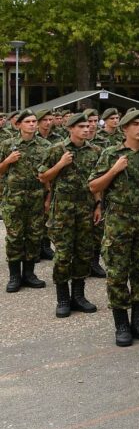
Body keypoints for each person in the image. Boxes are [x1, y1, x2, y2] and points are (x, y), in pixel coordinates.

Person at [88, 110, 139, 347]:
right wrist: (114, 170)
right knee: (117, 274)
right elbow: (93, 185)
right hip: (118, 225)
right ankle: (121, 324)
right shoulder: (111, 154)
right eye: (136, 124)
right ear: (124, 129)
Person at [39, 112, 102, 315]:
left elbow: (98, 182)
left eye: (88, 126)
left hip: (86, 209)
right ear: (70, 129)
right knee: (64, 255)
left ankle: (79, 296)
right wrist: (60, 164)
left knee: (84, 254)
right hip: (63, 211)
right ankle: (63, 299)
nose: (87, 129)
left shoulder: (95, 151)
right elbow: (42, 176)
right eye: (81, 126)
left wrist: (98, 205)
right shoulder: (57, 150)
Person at [1, 110, 51, 292]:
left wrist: (48, 199)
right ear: (18, 124)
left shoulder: (45, 145)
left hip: (36, 199)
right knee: (14, 237)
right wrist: (7, 161)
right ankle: (14, 276)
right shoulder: (8, 145)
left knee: (34, 237)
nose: (32, 124)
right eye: (28, 121)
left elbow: (48, 177)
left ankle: (29, 274)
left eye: (33, 121)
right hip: (13, 199)